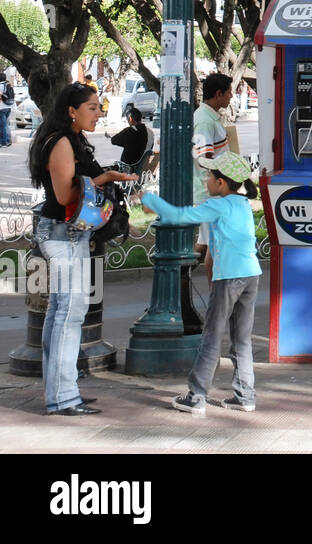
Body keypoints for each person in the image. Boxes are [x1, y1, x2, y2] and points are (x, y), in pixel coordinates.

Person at [28, 82, 136, 415]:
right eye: (92, 107)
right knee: (68, 315)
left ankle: (60, 388)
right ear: (71, 111)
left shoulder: (71, 139)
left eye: (99, 106)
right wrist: (105, 179)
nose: (99, 113)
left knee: (61, 313)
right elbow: (64, 197)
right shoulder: (60, 142)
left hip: (69, 232)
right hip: (62, 233)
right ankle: (62, 396)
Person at [144, 151, 261, 416]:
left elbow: (180, 216)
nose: (206, 179)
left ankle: (196, 396)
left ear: (221, 182)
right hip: (251, 275)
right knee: (242, 339)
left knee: (211, 336)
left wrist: (151, 201)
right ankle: (245, 396)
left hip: (228, 278)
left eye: (209, 175)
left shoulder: (218, 205)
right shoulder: (242, 204)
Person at [193, 73, 234, 279]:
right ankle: (215, 294)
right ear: (219, 94)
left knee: (205, 242)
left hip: (212, 192)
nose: (232, 96)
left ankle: (180, 280)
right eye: (229, 92)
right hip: (209, 193)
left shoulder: (209, 117)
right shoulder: (205, 121)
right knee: (215, 245)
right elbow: (204, 159)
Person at [107, 106, 151, 177]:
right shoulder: (150, 132)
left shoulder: (128, 131)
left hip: (130, 167)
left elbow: (113, 140)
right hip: (144, 166)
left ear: (130, 119)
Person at [0, 70, 13, 147]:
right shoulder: (8, 85)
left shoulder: (0, 86)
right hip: (8, 107)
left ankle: (3, 142)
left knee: (3, 126)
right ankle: (8, 141)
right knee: (5, 125)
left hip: (1, 108)